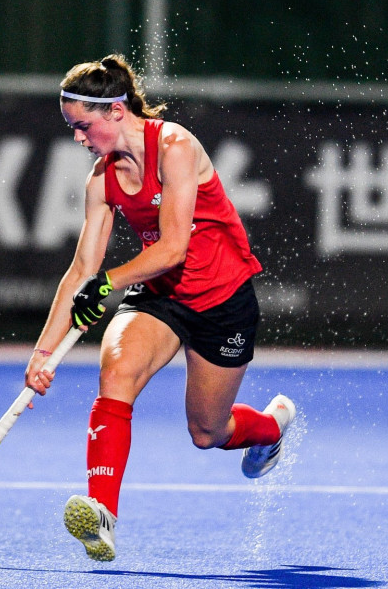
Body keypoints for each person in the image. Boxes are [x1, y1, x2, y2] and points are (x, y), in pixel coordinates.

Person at [24, 54, 296, 562]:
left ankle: (271, 426)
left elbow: (173, 247)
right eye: (72, 129)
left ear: (116, 112)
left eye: (82, 127)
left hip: (222, 299)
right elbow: (81, 269)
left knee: (206, 432)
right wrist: (43, 353)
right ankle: (102, 513)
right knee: (117, 370)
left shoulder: (174, 146)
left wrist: (106, 284)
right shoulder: (101, 182)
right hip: (160, 295)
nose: (79, 140)